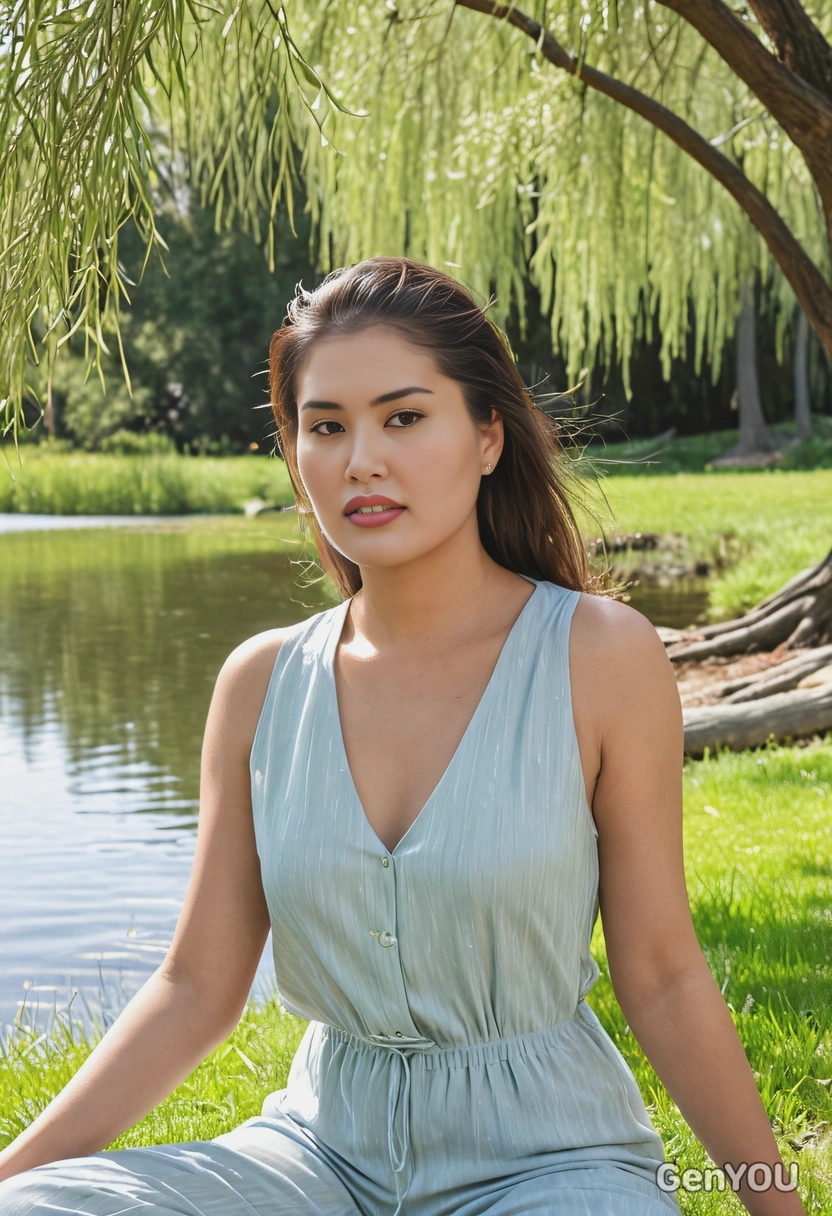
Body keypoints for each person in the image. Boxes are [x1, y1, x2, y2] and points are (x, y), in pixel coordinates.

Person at [0, 257, 805, 1216]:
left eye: (405, 417)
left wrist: (776, 1204)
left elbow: (664, 974)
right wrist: (13, 1176)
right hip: (313, 1160)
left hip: (549, 1167)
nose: (361, 461)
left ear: (488, 437)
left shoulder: (597, 656)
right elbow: (194, 986)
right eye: (326, 426)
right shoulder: (260, 683)